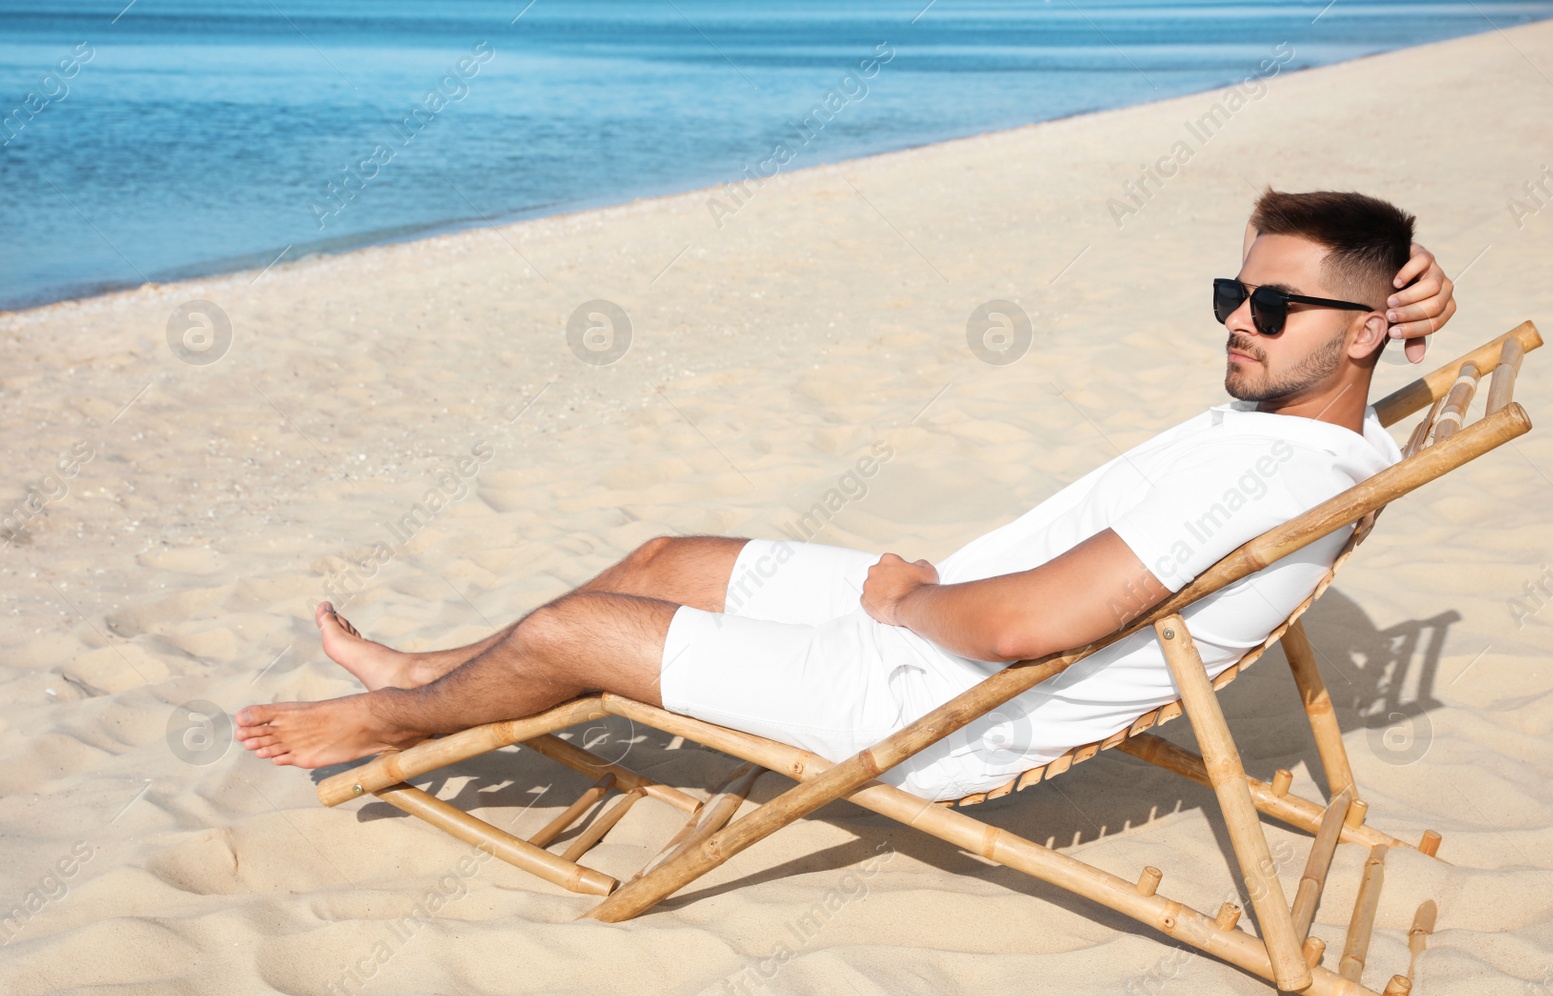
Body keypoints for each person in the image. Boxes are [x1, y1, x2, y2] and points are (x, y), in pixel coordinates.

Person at [236, 188, 1457, 802]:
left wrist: (912, 596)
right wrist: (1417, 295)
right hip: (945, 627)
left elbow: (1031, 628)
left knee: (572, 633)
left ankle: (390, 725)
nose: (1241, 324)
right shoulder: (1309, 419)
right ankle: (426, 672)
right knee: (665, 555)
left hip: (943, 695)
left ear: (1354, 336)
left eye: (1276, 309)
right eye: (1231, 297)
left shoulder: (1261, 469)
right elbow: (1345, 334)